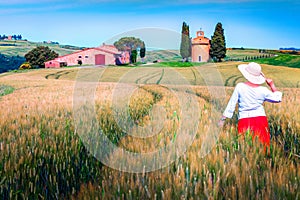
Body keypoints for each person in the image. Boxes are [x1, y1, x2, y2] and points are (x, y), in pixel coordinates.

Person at [220, 62, 282, 147]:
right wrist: (272, 85)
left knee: (245, 148)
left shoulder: (240, 86)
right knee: (263, 148)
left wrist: (222, 120)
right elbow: (278, 98)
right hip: (261, 120)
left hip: (244, 120)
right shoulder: (263, 90)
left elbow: (231, 104)